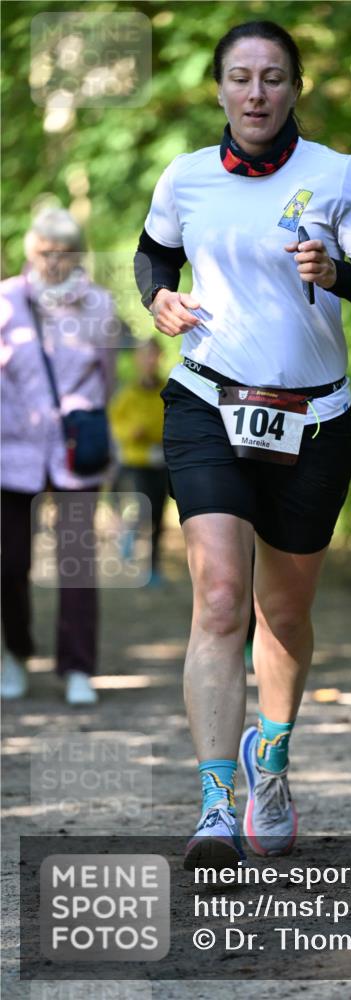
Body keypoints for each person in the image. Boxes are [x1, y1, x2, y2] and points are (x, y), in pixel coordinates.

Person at [133, 19, 351, 868]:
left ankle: (271, 764)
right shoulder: (185, 178)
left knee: (280, 614)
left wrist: (336, 273)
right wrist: (160, 303)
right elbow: (151, 256)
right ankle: (215, 805)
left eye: (273, 78)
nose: (256, 94)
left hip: (312, 417)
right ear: (218, 89)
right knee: (219, 598)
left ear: (294, 89)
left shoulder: (337, 176)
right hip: (207, 399)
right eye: (241, 78)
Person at [0, 207, 118, 706]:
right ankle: (14, 652)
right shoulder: (5, 301)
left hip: (74, 453)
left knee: (76, 565)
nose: (53, 260)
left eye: (64, 251)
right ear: (31, 249)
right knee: (7, 563)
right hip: (11, 450)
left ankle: (77, 667)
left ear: (77, 253)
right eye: (45, 251)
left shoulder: (100, 305)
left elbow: (108, 376)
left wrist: (85, 416)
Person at [109, 337, 169, 583]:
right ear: (137, 359)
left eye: (153, 355)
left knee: (158, 517)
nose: (149, 360)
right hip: (134, 462)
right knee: (141, 509)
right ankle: (129, 536)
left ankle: (154, 567)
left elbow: (171, 421)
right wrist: (131, 432)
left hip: (161, 462)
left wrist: (154, 433)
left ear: (160, 358)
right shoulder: (127, 393)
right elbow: (115, 424)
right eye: (145, 355)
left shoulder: (166, 390)